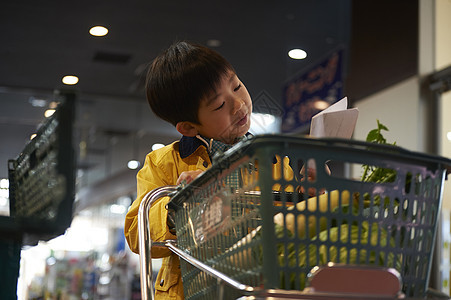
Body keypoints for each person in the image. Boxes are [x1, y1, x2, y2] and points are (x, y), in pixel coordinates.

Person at [124, 41, 254, 299]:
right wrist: (182, 202)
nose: (239, 104)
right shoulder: (164, 163)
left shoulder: (272, 160)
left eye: (237, 85)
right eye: (219, 105)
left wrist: (309, 192)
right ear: (188, 128)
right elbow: (137, 232)